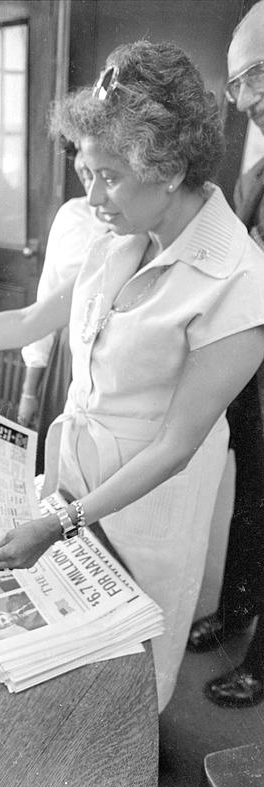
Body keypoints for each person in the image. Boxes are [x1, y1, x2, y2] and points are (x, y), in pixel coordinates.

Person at [0, 41, 264, 712]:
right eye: (84, 171)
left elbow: (174, 447)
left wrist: (60, 522)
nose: (91, 196)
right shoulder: (122, 231)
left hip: (149, 492)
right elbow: (31, 319)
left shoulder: (239, 280)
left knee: (138, 641)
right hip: (76, 462)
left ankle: (134, 742)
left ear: (166, 170)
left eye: (107, 175)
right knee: (68, 633)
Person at [187, 1, 264, 708]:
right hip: (254, 380)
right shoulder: (255, 175)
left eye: (256, 75)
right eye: (238, 80)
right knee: (250, 504)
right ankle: (236, 610)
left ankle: (261, 665)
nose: (242, 98)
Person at [18, 152, 107, 472]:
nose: (84, 163)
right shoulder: (71, 215)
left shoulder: (139, 227)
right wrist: (30, 392)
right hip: (65, 359)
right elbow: (43, 303)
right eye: (79, 150)